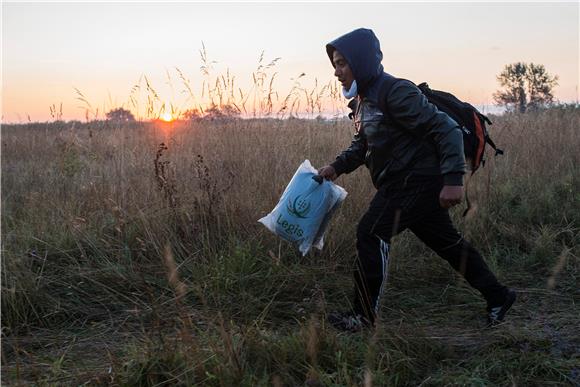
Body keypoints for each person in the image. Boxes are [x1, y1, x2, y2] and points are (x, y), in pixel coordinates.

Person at [318, 28, 515, 332]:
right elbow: (364, 144)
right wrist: (335, 167)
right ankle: (499, 296)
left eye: (342, 63)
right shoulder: (363, 99)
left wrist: (453, 180)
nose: (337, 72)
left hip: (415, 181)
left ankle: (363, 317)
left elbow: (445, 127)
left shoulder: (394, 90)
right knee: (447, 243)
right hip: (407, 183)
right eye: (334, 64)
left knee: (371, 233)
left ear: (361, 60)